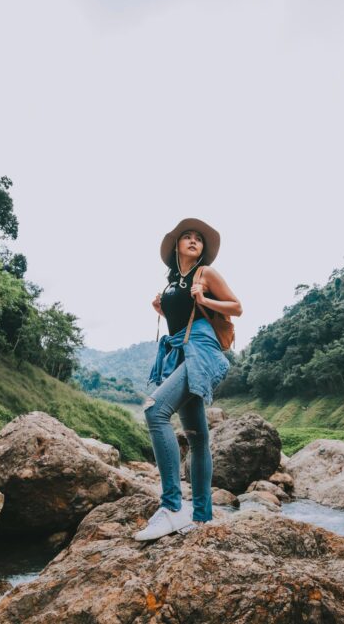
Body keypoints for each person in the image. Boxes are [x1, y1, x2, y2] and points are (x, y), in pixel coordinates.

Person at [134, 217, 242, 541]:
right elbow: (180, 318)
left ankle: (171, 507)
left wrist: (205, 298)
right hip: (180, 350)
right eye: (188, 237)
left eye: (199, 238)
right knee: (196, 436)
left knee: (155, 411)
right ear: (177, 246)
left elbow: (237, 307)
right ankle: (202, 517)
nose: (194, 240)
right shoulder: (170, 283)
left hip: (202, 346)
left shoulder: (204, 274)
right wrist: (162, 309)